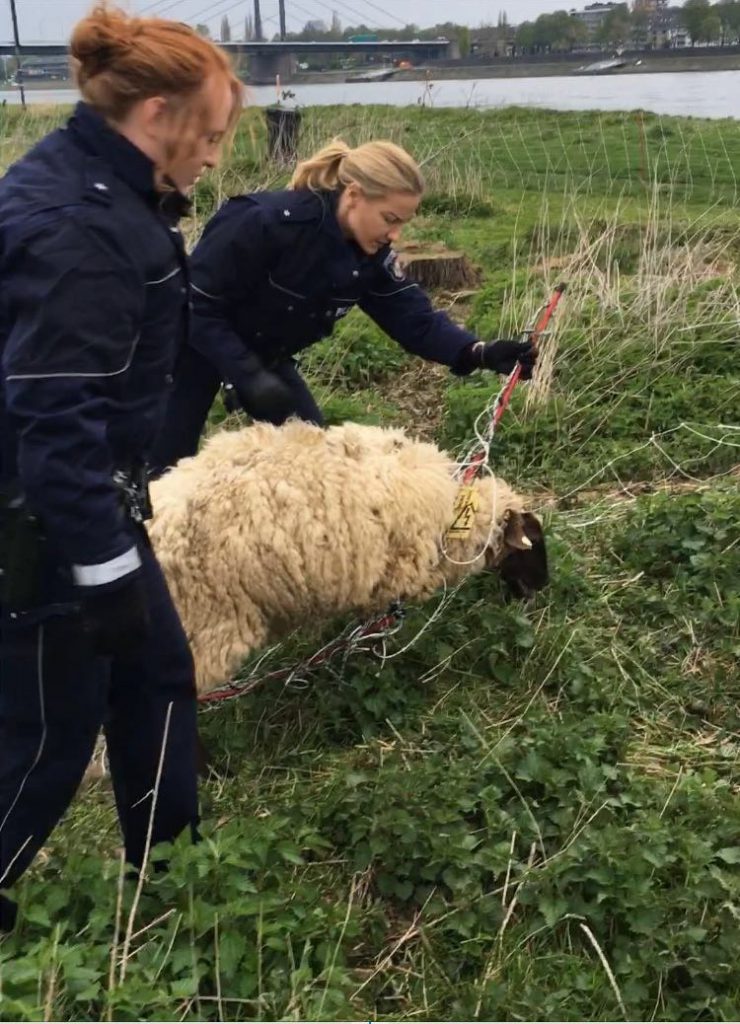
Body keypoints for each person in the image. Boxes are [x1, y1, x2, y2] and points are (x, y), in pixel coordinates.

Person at [0, 4, 241, 932]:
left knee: (156, 676)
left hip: (88, 505)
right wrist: (100, 571)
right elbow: (55, 420)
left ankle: (169, 879)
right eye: (210, 134)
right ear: (154, 117)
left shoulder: (99, 189)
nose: (215, 154)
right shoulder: (84, 232)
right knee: (48, 738)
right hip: (46, 517)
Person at [150, 139, 538, 472]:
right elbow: (193, 303)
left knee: (314, 461)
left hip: (266, 355)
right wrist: (245, 373)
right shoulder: (265, 223)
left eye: (402, 223)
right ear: (353, 196)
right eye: (389, 219)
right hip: (186, 346)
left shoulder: (369, 256)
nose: (395, 234)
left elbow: (413, 318)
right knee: (161, 470)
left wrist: (477, 351)